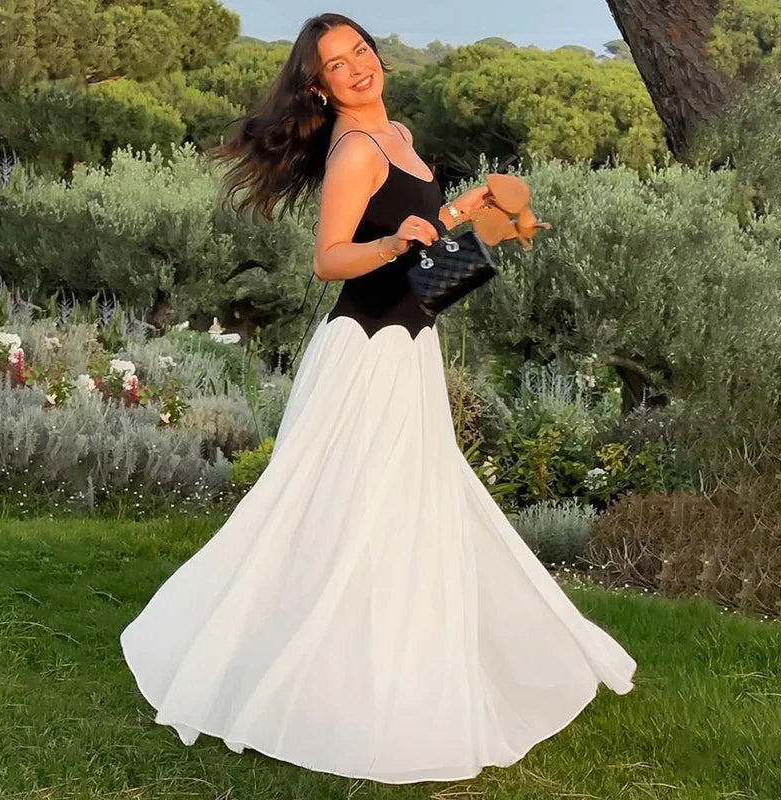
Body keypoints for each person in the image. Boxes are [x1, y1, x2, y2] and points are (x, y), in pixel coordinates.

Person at [120, 12, 637, 785]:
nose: (358, 66)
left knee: (399, 514)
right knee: (335, 516)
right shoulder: (357, 150)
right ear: (320, 87)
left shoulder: (395, 135)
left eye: (360, 50)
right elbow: (333, 258)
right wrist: (397, 246)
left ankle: (366, 680)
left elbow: (419, 231)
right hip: (364, 355)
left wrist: (476, 217)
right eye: (337, 63)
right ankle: (276, 674)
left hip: (406, 348)